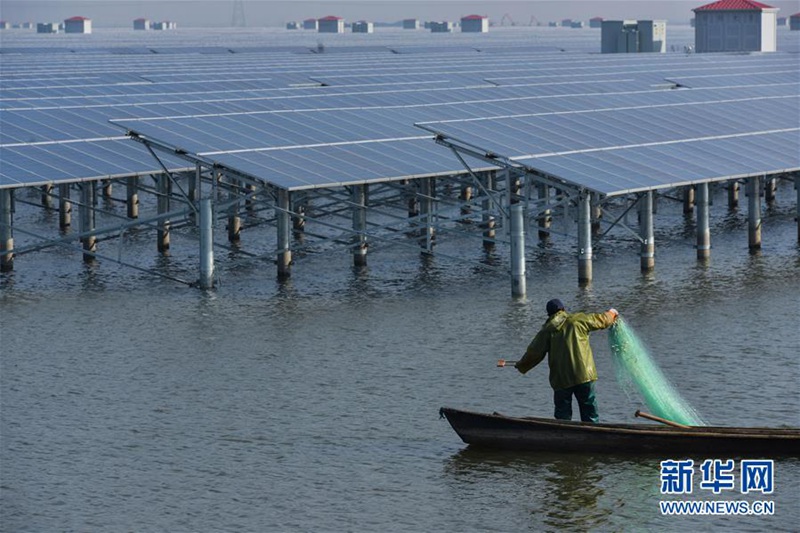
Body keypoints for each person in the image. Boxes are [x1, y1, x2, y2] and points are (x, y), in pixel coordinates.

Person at [515, 298, 618, 423]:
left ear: (549, 314)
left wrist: (521, 365)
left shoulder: (547, 330)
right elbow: (601, 320)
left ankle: (564, 434)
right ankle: (593, 433)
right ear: (563, 309)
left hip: (561, 378)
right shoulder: (578, 320)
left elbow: (534, 353)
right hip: (583, 374)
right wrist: (611, 313)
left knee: (562, 414)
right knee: (589, 409)